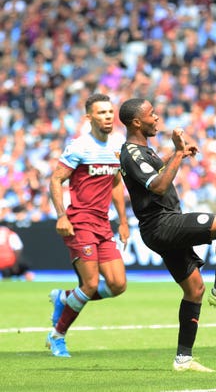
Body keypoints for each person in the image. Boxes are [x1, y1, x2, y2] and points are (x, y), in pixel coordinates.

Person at [118, 98, 216, 373]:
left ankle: (183, 360)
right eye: (151, 114)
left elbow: (154, 172)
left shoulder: (142, 150)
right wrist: (177, 153)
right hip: (162, 224)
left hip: (160, 226)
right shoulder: (131, 152)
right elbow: (158, 185)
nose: (156, 117)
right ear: (136, 122)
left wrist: (176, 154)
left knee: (194, 291)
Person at [47, 93, 130, 358]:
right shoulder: (79, 146)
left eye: (109, 112)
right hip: (79, 222)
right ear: (89, 117)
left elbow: (115, 183)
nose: (107, 116)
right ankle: (57, 336)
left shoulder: (117, 146)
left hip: (103, 225)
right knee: (91, 284)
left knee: (118, 285)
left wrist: (124, 221)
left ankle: (64, 298)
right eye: (101, 112)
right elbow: (55, 180)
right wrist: (61, 215)